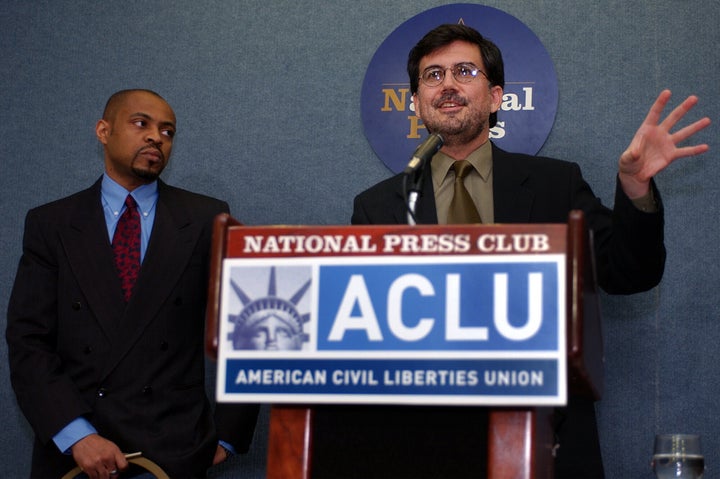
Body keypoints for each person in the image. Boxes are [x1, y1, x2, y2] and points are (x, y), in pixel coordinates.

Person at [313, 24, 710, 478]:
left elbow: (629, 271)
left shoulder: (554, 184)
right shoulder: (378, 205)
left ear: (497, 96)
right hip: (418, 441)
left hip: (545, 439)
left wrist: (635, 188)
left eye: (465, 71)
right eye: (432, 75)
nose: (447, 84)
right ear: (417, 101)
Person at [6, 89, 259, 478]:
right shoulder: (51, 223)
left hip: (173, 449)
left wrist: (227, 435)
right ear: (103, 131)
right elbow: (28, 339)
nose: (157, 137)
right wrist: (76, 435)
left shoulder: (207, 217)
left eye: (168, 131)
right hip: (76, 452)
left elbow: (245, 331)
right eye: (141, 124)